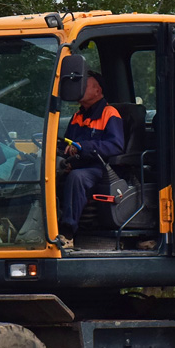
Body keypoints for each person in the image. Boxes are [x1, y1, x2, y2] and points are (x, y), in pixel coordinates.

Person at [56, 70, 124, 249]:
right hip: (78, 165)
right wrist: (64, 157)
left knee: (77, 178)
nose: (78, 88)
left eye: (84, 85)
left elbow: (115, 146)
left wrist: (84, 147)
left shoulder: (110, 114)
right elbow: (66, 145)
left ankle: (67, 232)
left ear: (97, 90)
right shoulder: (78, 116)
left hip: (100, 168)